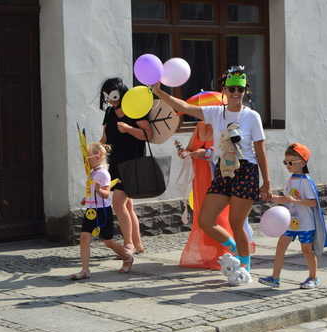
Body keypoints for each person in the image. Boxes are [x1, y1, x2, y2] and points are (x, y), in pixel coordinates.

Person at [154, 65, 271, 285]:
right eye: (232, 89)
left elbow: (261, 151)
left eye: (240, 89)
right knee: (205, 220)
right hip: (223, 171)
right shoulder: (216, 113)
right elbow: (185, 107)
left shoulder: (252, 117)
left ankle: (245, 266)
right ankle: (235, 248)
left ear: (246, 91)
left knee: (237, 222)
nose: (236, 93)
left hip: (245, 171)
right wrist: (160, 93)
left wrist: (267, 183)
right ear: (224, 90)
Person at [259, 143, 327, 289]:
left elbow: (313, 203)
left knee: (307, 250)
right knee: (280, 246)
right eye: (285, 162)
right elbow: (286, 199)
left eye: (291, 162)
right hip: (290, 222)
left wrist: (296, 201)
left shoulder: (306, 181)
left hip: (306, 223)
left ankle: (313, 277)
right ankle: (275, 277)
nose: (287, 165)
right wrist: (271, 197)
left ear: (303, 163)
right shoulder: (291, 180)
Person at [99, 78, 151, 255]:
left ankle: (128, 244)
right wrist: (98, 151)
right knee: (128, 206)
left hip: (133, 164)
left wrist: (129, 129)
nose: (111, 101)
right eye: (107, 97)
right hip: (116, 164)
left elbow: (147, 134)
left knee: (118, 203)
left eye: (113, 96)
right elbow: (106, 140)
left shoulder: (135, 110)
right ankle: (137, 245)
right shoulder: (109, 113)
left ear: (122, 93)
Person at [70, 142, 134, 280]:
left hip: (103, 211)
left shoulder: (103, 173)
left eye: (88, 156)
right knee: (84, 238)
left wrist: (100, 190)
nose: (86, 159)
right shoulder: (93, 173)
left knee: (108, 241)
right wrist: (86, 198)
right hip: (91, 210)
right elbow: (91, 191)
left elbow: (106, 194)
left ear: (97, 156)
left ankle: (127, 257)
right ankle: (85, 270)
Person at [176, 120, 234, 270]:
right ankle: (210, 255)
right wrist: (184, 153)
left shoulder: (223, 125)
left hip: (217, 178)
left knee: (218, 216)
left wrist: (207, 154)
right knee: (202, 215)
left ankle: (227, 251)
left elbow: (229, 152)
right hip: (200, 178)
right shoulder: (199, 127)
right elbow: (190, 149)